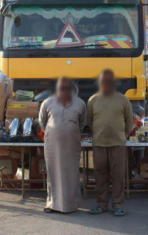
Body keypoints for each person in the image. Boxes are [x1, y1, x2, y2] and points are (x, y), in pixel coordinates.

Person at [87, 69, 133, 216]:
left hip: (118, 143)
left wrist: (123, 135)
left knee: (118, 175)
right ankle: (102, 204)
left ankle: (118, 204)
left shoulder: (123, 99)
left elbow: (129, 121)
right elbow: (90, 121)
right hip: (99, 143)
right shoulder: (93, 100)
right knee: (100, 175)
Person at [39, 77, 86, 213]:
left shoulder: (80, 103)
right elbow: (43, 122)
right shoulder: (48, 102)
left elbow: (82, 123)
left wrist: (69, 130)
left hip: (72, 143)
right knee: (53, 171)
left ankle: (71, 205)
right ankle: (51, 204)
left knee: (71, 172)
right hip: (53, 144)